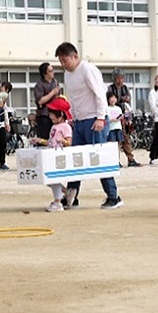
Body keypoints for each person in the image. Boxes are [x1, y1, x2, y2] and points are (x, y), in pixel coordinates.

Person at [54, 42, 123, 210]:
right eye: (61, 61)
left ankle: (113, 196)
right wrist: (73, 119)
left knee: (98, 159)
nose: (63, 64)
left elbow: (100, 94)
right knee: (75, 159)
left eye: (65, 60)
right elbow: (74, 99)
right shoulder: (68, 75)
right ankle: (72, 196)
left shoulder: (87, 69)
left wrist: (100, 117)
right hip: (79, 121)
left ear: (75, 56)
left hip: (94, 119)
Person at [30, 96, 73, 212]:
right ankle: (66, 192)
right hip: (52, 154)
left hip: (59, 156)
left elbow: (69, 142)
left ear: (60, 114)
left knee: (52, 178)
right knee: (48, 178)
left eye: (52, 113)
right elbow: (51, 141)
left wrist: (63, 141)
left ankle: (58, 201)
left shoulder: (66, 127)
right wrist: (40, 141)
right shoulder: (54, 126)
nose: (50, 116)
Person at [107, 68, 141, 167]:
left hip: (123, 117)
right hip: (114, 119)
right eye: (119, 78)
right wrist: (121, 99)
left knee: (126, 139)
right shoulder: (110, 88)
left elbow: (128, 105)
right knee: (114, 142)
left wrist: (128, 119)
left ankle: (130, 159)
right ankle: (115, 160)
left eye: (122, 78)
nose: (121, 80)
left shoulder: (125, 88)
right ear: (114, 78)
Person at [34, 62, 61, 140]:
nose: (53, 72)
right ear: (44, 73)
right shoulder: (39, 85)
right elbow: (40, 101)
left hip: (55, 114)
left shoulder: (55, 82)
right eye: (50, 71)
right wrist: (52, 93)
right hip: (44, 115)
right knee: (45, 138)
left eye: (53, 70)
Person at [0, 81, 13, 171]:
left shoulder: (3, 97)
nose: (0, 87)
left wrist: (7, 123)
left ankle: (2, 163)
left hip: (1, 123)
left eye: (2, 86)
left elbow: (5, 110)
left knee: (3, 143)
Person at [106, 91, 124, 166]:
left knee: (118, 145)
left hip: (118, 127)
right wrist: (111, 120)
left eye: (114, 98)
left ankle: (118, 161)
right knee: (111, 145)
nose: (113, 100)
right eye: (111, 98)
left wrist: (120, 118)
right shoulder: (107, 108)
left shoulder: (118, 108)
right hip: (111, 128)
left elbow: (121, 116)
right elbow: (106, 118)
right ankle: (112, 161)